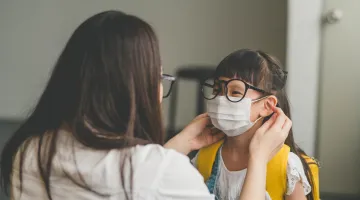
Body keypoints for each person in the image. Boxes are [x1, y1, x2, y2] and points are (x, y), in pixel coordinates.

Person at [0, 11, 291, 200]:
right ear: (136, 87)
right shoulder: (163, 171)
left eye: (236, 92)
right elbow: (146, 179)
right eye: (158, 76)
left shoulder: (27, 151)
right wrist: (257, 159)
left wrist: (177, 146)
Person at [193, 49, 320, 200]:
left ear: (267, 105)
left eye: (235, 92)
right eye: (217, 90)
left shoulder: (286, 165)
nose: (221, 99)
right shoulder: (205, 155)